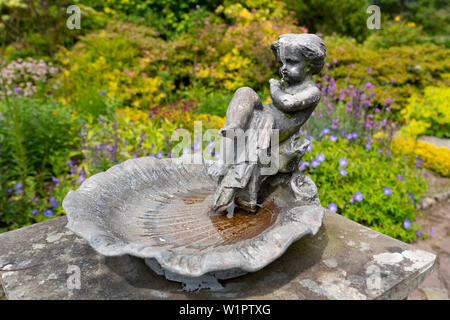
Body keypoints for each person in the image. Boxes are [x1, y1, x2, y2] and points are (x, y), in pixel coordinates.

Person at [211, 33, 326, 214]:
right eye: (281, 63)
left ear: (310, 65)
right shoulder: (287, 83)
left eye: (292, 62)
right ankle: (234, 126)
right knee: (245, 92)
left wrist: (274, 89)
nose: (284, 69)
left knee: (263, 120)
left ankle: (246, 195)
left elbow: (287, 103)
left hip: (277, 129)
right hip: (267, 117)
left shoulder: (312, 91)